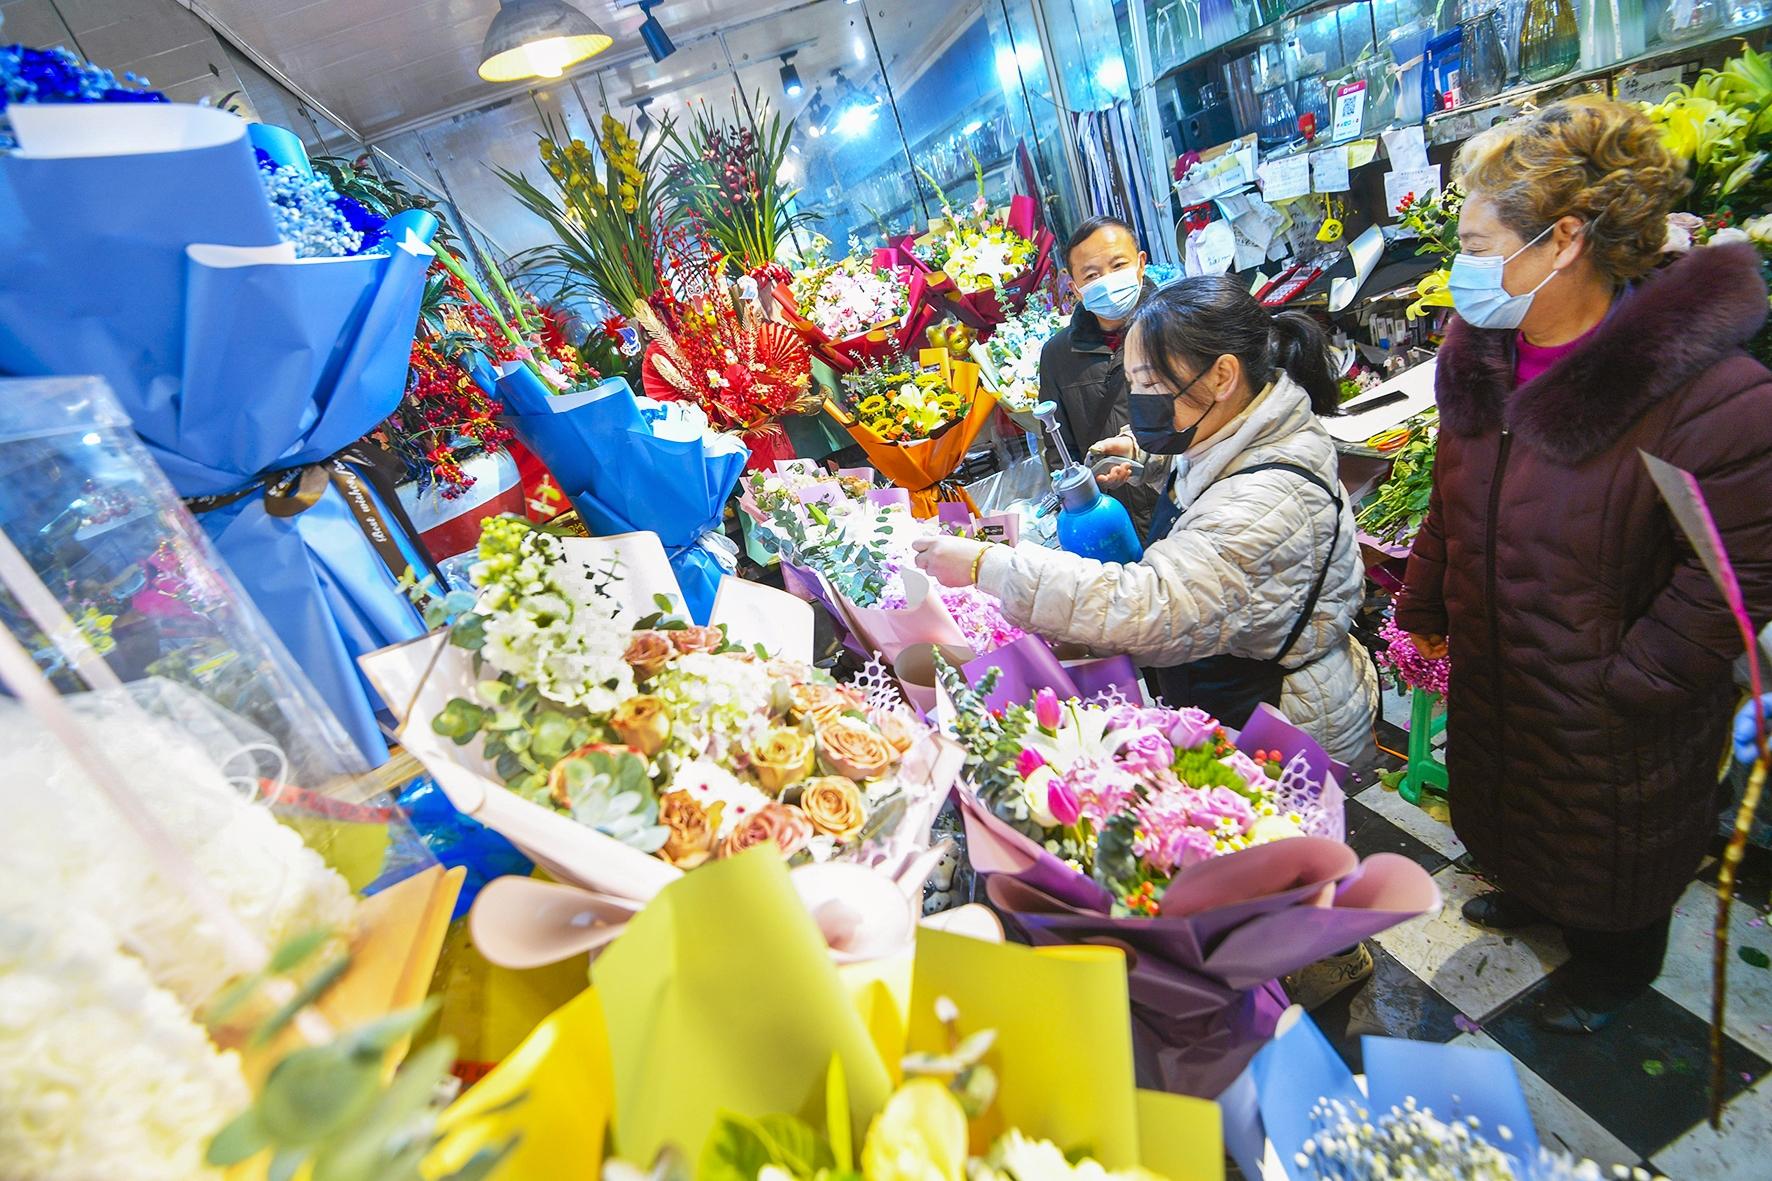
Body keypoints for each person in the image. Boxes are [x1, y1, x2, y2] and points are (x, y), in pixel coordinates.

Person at [1394, 98, 1772, 1034]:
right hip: (1504, 657)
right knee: (1514, 796)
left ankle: (1616, 961)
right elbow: (1452, 489)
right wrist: (1426, 597)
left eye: (1479, 241)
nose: (1463, 265)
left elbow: (1735, 576)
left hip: (1616, 698)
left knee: (1613, 843)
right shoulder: (1480, 350)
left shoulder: (1711, 395)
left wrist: (1631, 679)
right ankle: (1527, 885)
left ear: (1562, 241)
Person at [914, 274, 1378, 766]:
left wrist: (986, 565)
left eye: (1151, 384)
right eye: (1134, 384)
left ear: (1222, 376)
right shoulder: (1236, 431)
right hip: (1235, 700)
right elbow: (1217, 478)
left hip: (1287, 725)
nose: (1139, 402)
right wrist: (1149, 459)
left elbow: (1148, 605)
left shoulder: (1267, 498)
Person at [1041, 215, 1160, 537]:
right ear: (1075, 286)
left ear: (1140, 263)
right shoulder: (1057, 356)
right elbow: (1059, 448)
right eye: (1092, 275)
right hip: (1110, 519)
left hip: (1179, 503)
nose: (1107, 280)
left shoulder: (1175, 330)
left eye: (1118, 265)